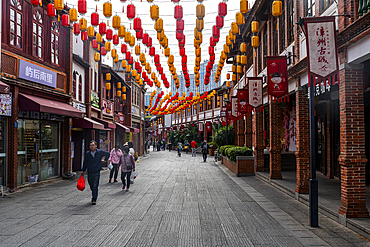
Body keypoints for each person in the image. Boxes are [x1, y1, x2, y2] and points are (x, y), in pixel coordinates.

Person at [81, 140, 110, 205]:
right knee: (91, 184)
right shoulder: (88, 154)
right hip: (90, 171)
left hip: (97, 171)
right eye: (91, 145)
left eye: (93, 145)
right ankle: (94, 193)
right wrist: (83, 170)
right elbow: (85, 162)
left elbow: (108, 154)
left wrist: (105, 160)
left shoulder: (99, 152)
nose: (92, 147)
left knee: (95, 186)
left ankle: (94, 198)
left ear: (96, 146)